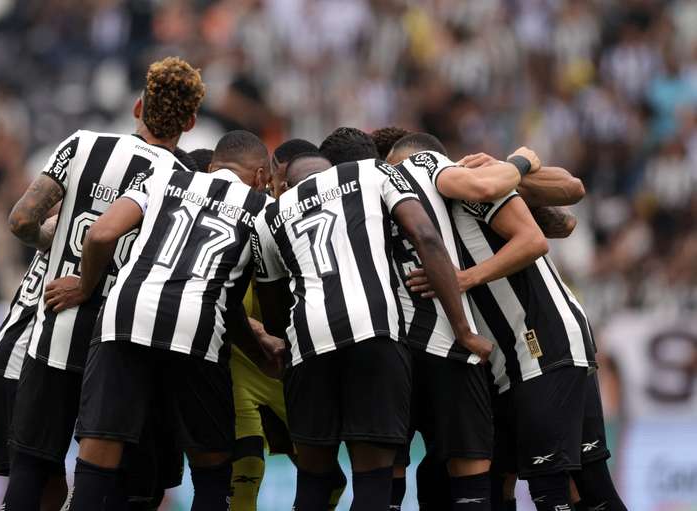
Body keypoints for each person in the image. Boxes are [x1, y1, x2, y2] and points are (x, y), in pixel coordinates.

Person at [251, 127, 492, 511]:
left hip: (310, 344)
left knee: (312, 483)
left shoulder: (268, 216)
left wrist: (284, 350)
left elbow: (274, 300)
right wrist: (463, 328)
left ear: (284, 178)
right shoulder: (372, 172)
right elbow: (427, 237)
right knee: (373, 482)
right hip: (374, 334)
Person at [0, 56, 204, 510]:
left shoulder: (82, 143)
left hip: (53, 329)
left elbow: (21, 219)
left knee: (32, 468)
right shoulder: (184, 181)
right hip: (121, 347)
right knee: (104, 481)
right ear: (190, 121)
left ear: (137, 107)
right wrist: (92, 281)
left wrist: (50, 243)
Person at [44, 130, 278, 510]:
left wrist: (87, 287)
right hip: (197, 328)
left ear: (212, 165)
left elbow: (101, 234)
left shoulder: (164, 176)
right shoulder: (263, 208)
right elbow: (237, 296)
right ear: (261, 176)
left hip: (125, 316)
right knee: (211, 471)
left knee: (97, 457)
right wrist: (262, 347)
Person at [398, 139, 611, 511]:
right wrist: (514, 171)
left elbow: (543, 229)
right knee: (583, 488)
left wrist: (463, 278)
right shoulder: (427, 217)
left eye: (400, 170)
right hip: (512, 362)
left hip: (543, 343)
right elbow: (565, 217)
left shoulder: (463, 183)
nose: (395, 183)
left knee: (555, 488)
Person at [375, 132, 544, 511]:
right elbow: (486, 186)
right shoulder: (422, 165)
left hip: (389, 346)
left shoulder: (370, 189)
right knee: (472, 470)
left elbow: (564, 205)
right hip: (448, 344)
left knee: (402, 475)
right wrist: (520, 161)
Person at [223, 136, 347, 511]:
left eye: (281, 184)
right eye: (274, 184)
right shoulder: (250, 215)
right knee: (244, 472)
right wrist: (255, 329)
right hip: (241, 361)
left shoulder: (331, 229)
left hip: (292, 365)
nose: (275, 191)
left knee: (329, 483)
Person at [0, 250, 69, 510]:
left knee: (52, 484)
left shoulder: (65, 226)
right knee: (31, 477)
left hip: (8, 356)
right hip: (24, 362)